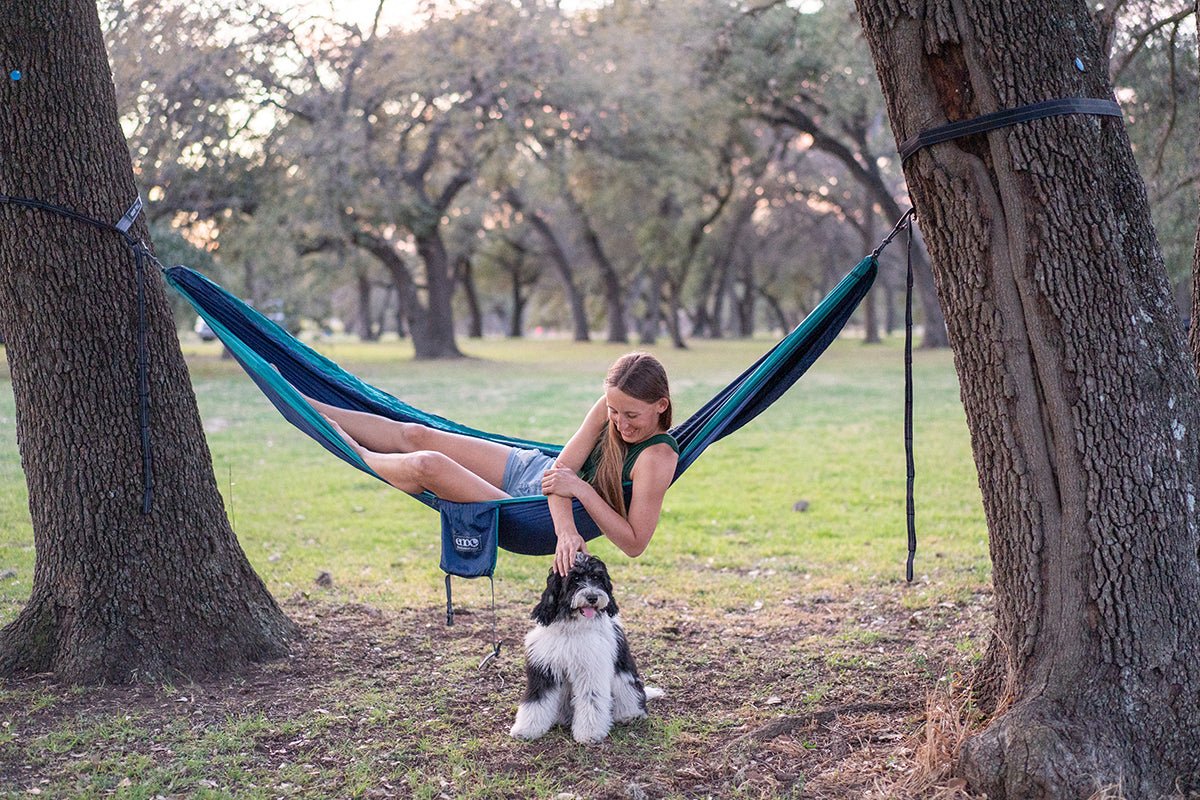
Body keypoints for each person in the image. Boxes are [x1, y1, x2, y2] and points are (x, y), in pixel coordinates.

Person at [308, 353, 679, 576]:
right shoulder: (609, 406)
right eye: (614, 411)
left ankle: (363, 455)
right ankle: (306, 402)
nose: (620, 422)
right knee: (416, 435)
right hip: (533, 474)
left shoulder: (656, 458)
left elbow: (634, 543)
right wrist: (566, 529)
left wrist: (581, 490)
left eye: (632, 415)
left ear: (661, 405)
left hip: (523, 514)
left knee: (426, 464)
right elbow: (556, 473)